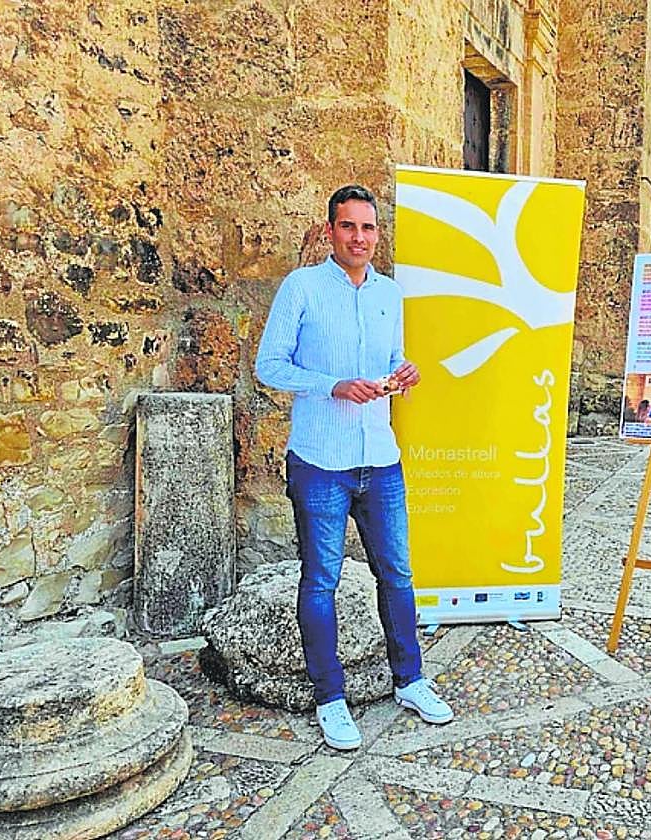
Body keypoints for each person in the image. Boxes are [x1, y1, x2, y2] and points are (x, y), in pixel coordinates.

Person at [255, 184, 453, 751]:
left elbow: (389, 361)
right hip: (320, 461)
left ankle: (410, 681)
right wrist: (332, 385)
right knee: (321, 580)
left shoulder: (390, 294)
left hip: (380, 458)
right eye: (348, 227)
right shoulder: (302, 289)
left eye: (368, 229)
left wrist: (402, 373)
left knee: (399, 575)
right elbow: (270, 365)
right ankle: (331, 699)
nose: (359, 238)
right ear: (329, 232)